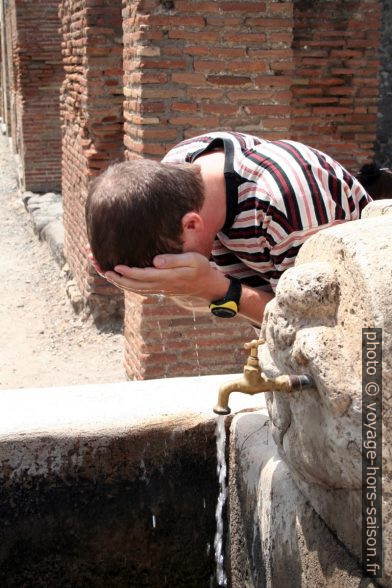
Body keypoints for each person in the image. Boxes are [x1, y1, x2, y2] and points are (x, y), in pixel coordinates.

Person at [86, 131, 371, 327]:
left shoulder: (286, 202)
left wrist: (215, 288)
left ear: (192, 224)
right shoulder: (175, 176)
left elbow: (316, 324)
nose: (174, 272)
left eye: (169, 267)